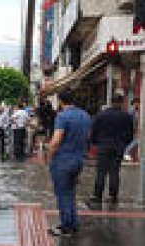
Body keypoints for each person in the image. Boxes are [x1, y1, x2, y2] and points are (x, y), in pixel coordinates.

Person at [45, 91, 92, 236]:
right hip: (78, 159)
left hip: (63, 160)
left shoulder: (62, 116)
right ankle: (73, 222)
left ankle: (66, 226)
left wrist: (49, 157)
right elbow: (88, 137)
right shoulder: (85, 116)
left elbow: (56, 140)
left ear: (60, 101)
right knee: (71, 193)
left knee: (63, 194)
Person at [90, 94, 135, 207]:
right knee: (114, 171)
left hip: (103, 146)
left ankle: (97, 196)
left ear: (111, 102)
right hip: (118, 146)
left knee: (101, 172)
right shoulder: (127, 117)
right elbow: (130, 134)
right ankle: (113, 196)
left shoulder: (101, 115)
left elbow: (94, 131)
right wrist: (124, 144)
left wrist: (96, 142)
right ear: (122, 103)